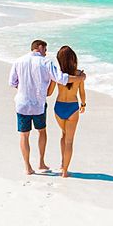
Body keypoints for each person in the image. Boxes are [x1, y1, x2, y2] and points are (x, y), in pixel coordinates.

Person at [8, 38, 69, 175]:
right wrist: (78, 77)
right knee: (41, 131)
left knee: (24, 135)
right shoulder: (46, 62)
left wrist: (25, 88)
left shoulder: (19, 61)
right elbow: (60, 78)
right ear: (40, 47)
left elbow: (12, 82)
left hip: (22, 104)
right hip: (39, 104)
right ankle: (41, 162)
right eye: (45, 50)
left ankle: (27, 167)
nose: (46, 53)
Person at [50, 45, 88, 176]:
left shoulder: (57, 75)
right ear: (73, 58)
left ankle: (62, 164)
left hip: (59, 107)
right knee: (69, 140)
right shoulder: (80, 75)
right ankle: (65, 171)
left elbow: (49, 91)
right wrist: (83, 104)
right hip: (72, 107)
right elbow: (82, 92)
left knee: (63, 134)